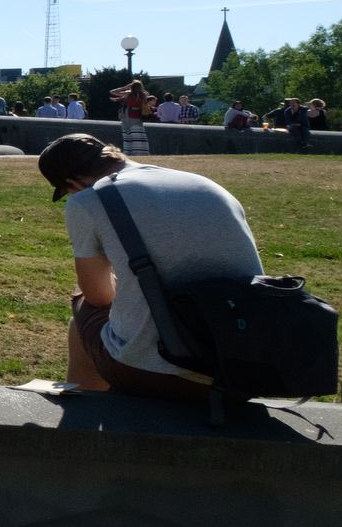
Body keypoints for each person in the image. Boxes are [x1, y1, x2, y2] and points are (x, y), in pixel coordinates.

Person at [38, 134, 263, 403]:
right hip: (249, 368)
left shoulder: (87, 199)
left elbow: (99, 297)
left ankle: (85, 409)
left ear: (73, 183)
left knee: (84, 300)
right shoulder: (205, 184)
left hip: (168, 373)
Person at [109, 79, 153, 157]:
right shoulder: (143, 94)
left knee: (128, 135)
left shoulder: (128, 93)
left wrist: (125, 87)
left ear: (131, 87)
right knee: (138, 135)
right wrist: (141, 88)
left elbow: (112, 92)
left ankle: (129, 152)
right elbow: (147, 93)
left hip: (128, 116)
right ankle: (141, 152)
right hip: (138, 117)